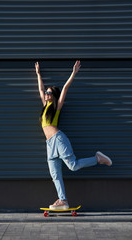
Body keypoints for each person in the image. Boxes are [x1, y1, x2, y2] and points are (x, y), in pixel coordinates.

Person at [35, 60, 112, 210]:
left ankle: (98, 158)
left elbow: (64, 88)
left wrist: (73, 73)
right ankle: (63, 200)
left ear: (54, 96)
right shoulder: (45, 107)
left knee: (73, 166)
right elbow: (40, 88)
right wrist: (38, 74)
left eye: (49, 92)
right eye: (46, 92)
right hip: (50, 145)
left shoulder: (56, 107)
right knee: (55, 175)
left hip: (58, 140)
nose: (46, 94)